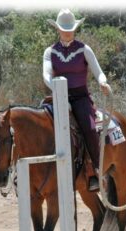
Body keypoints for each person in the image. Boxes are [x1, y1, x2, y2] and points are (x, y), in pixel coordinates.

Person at [43, 8, 110, 191]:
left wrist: (103, 83)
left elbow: (98, 71)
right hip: (58, 95)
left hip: (80, 97)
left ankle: (96, 170)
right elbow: (46, 74)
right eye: (64, 29)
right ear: (58, 29)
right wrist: (57, 88)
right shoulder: (50, 52)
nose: (67, 32)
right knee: (39, 125)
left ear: (75, 29)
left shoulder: (84, 49)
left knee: (89, 128)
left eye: (70, 29)